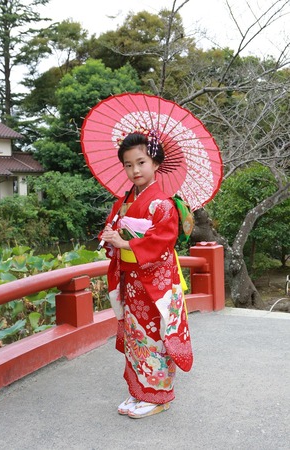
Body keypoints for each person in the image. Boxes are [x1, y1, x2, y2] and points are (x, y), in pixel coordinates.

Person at [100, 130, 193, 419]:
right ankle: (139, 391)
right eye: (128, 165)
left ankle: (159, 396)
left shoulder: (162, 203)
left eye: (141, 162)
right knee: (135, 337)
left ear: (155, 163)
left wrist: (125, 243)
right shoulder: (125, 199)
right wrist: (110, 236)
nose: (134, 170)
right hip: (132, 281)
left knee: (156, 336)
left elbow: (161, 243)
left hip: (156, 283)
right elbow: (111, 235)